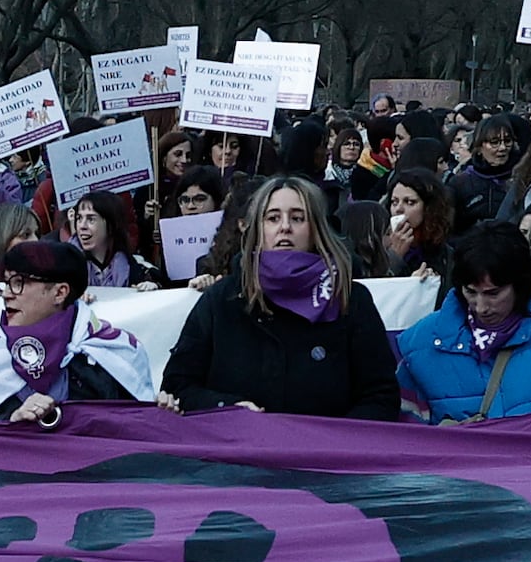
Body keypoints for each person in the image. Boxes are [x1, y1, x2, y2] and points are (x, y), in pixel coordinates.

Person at [162, 176, 399, 415]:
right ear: (258, 228)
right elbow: (177, 386)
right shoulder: (221, 299)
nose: (285, 227)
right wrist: (227, 409)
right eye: (273, 218)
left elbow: (381, 395)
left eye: (297, 218)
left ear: (316, 228)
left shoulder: (350, 298)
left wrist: (334, 441)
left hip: (323, 449)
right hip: (237, 447)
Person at [394, 224, 531, 425]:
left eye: (493, 293)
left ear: (519, 285)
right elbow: (407, 438)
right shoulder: (418, 344)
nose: (481, 307)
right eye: (471, 292)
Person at [0, 231, 162, 425]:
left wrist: (163, 412)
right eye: (5, 283)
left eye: (18, 283)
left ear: (59, 293)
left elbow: (135, 429)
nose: (6, 294)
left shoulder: (116, 352)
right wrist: (11, 422)